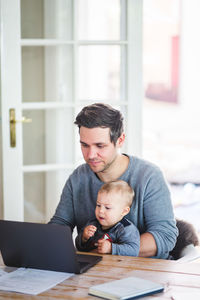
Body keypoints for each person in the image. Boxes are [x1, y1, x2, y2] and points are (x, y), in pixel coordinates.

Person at [49, 103, 178, 259]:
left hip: (145, 274)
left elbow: (165, 236)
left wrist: (108, 252)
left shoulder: (149, 176)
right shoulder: (78, 177)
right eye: (84, 145)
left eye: (100, 146)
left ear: (120, 140)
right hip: (94, 273)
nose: (90, 155)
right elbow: (60, 224)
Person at [75, 180, 140, 256]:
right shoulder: (92, 224)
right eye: (98, 205)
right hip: (93, 263)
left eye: (107, 208)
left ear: (124, 211)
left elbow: (133, 251)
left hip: (116, 266)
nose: (101, 211)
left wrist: (111, 248)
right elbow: (80, 248)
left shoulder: (126, 229)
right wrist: (84, 238)